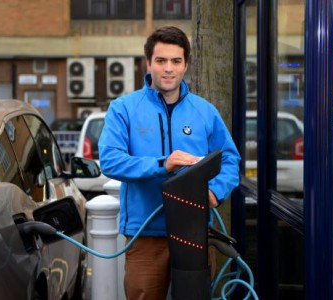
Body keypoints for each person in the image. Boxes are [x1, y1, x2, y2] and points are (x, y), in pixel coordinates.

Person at [98, 26, 241, 300]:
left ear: (186, 65)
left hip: (195, 232)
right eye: (161, 61)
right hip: (145, 235)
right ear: (148, 63)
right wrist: (163, 164)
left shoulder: (205, 111)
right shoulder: (124, 109)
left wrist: (215, 191)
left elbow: (230, 158)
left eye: (176, 61)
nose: (168, 69)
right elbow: (110, 160)